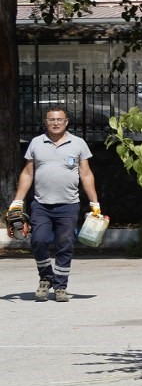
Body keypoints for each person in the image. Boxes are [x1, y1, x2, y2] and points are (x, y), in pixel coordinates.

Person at [10, 107, 100, 302]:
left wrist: (95, 203)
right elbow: (27, 173)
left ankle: (60, 286)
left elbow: (86, 174)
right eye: (52, 120)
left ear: (67, 121)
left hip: (68, 205)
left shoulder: (78, 144)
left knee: (65, 244)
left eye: (60, 119)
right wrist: (17, 201)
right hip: (41, 204)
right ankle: (46, 277)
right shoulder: (36, 143)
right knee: (38, 240)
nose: (56, 123)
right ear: (46, 122)